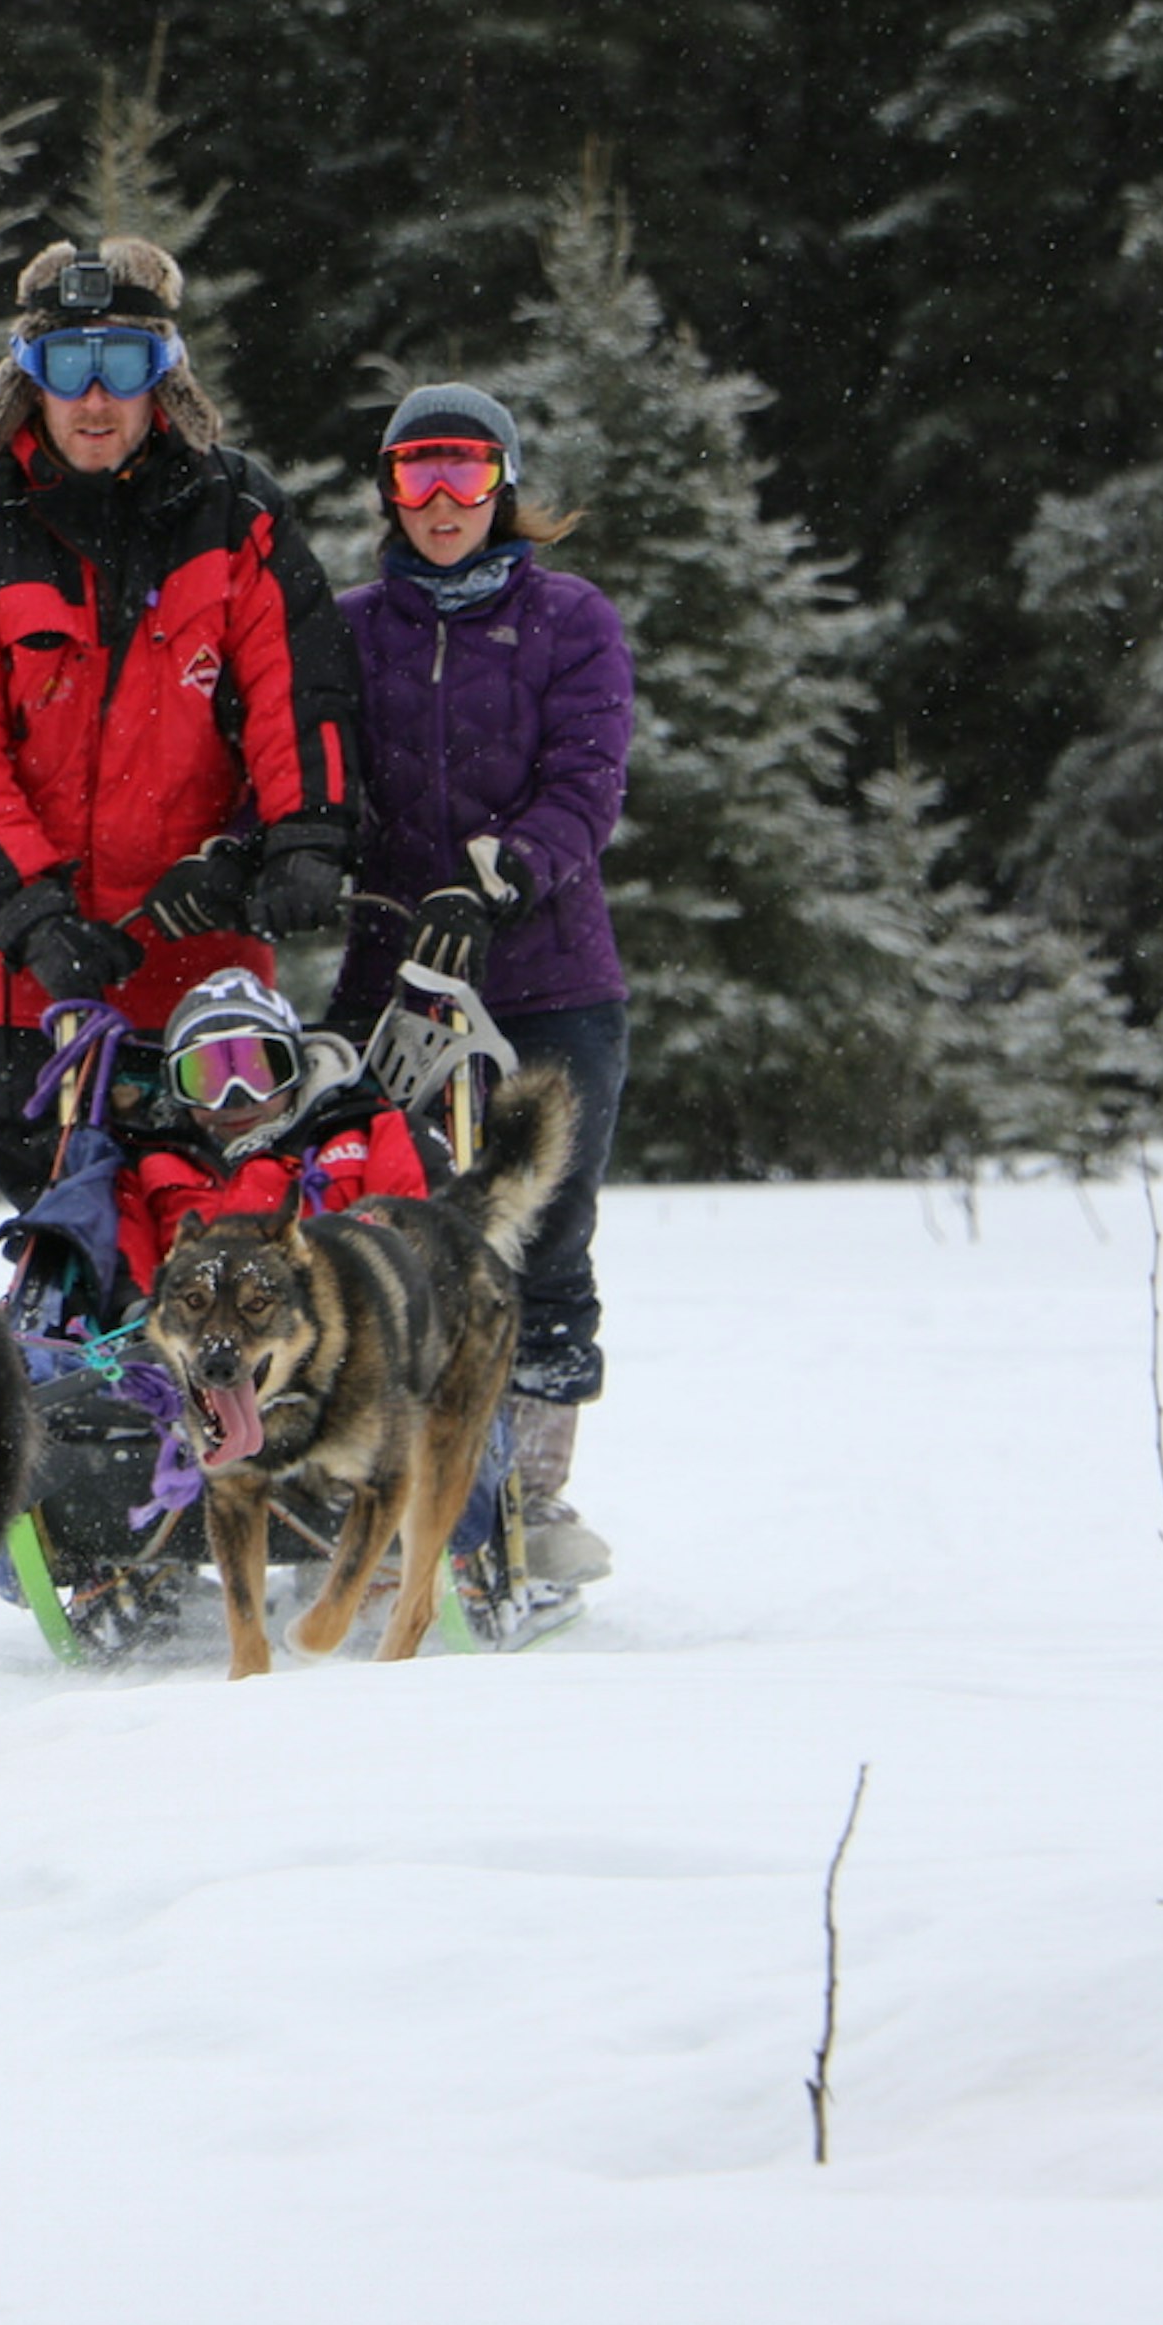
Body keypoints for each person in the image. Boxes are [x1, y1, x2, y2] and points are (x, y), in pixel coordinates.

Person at [0, 236, 362, 1209]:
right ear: (27, 379)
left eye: (125, 365)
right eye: (68, 366)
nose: (95, 399)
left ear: (164, 377)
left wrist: (294, 839)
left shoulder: (239, 519)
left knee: (218, 1245)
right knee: (71, 1244)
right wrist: (34, 915)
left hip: (200, 963)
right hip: (24, 980)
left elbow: (298, 695)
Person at [332, 382, 632, 1586]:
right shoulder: (352, 626)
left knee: (540, 1229)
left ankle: (530, 1494)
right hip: (391, 976)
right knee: (378, 1216)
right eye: (418, 475)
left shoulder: (571, 617)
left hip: (547, 975)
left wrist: (500, 875)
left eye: (465, 473)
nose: (443, 501)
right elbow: (315, 768)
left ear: (503, 484)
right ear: (389, 492)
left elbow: (586, 780)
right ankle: (365, 1471)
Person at [112, 969, 426, 1295]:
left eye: (257, 1069)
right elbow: (129, 1274)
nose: (237, 1098)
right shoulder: (146, 1164)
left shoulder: (366, 1134)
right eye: (206, 1078)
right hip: (197, 1331)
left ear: (297, 1067)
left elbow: (418, 1243)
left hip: (347, 1321)